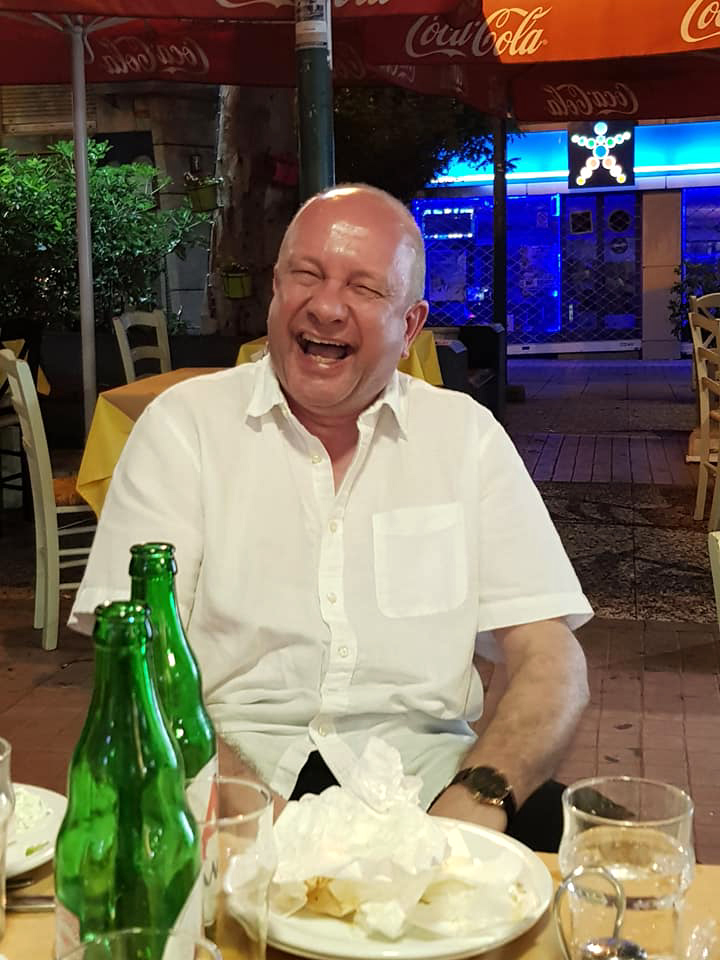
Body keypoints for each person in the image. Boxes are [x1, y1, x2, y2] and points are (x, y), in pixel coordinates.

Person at [70, 184, 592, 851]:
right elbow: (135, 661)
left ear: (409, 327)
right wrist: (258, 818)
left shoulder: (465, 437)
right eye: (306, 275)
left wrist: (480, 797)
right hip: (219, 773)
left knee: (617, 866)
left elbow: (550, 656)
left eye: (364, 288)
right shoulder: (184, 428)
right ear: (275, 290)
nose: (325, 305)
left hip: (428, 779)